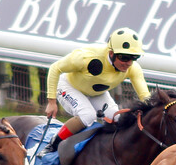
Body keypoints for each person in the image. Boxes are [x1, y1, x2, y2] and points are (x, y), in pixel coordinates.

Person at [38, 27, 149, 156]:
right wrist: (51, 101)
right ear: (111, 53)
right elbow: (55, 68)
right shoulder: (85, 57)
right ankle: (53, 145)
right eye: (124, 57)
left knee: (116, 117)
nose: (128, 63)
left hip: (95, 93)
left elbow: (145, 96)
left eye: (134, 57)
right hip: (68, 86)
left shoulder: (133, 68)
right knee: (88, 115)